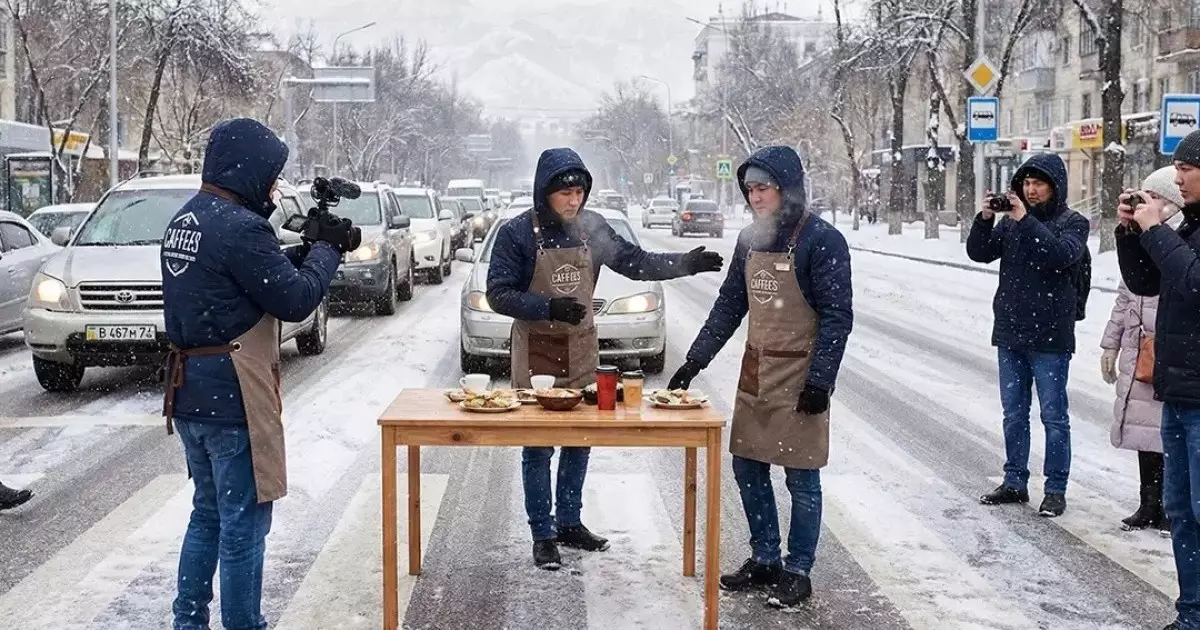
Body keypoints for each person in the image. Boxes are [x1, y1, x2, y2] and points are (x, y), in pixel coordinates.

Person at [160, 118, 358, 630]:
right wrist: (327, 254)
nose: (273, 188)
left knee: (207, 513)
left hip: (190, 395)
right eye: (270, 176)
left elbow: (233, 279)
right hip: (233, 397)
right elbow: (293, 300)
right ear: (246, 169)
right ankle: (245, 624)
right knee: (244, 524)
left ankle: (189, 622)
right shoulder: (241, 227)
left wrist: (299, 252)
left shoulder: (187, 219)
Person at [486, 147, 724, 571]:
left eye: (579, 192)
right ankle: (543, 534)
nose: (573, 201)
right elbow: (498, 293)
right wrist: (547, 307)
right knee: (539, 447)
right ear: (545, 192)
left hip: (580, 349)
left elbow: (635, 262)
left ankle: (569, 521)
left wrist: (684, 264)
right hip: (537, 351)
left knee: (580, 438)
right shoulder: (517, 233)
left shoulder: (592, 229)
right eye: (564, 193)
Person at [668, 146, 853, 608]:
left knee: (801, 476)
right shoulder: (750, 239)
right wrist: (695, 360)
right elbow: (731, 304)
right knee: (747, 465)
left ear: (786, 188)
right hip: (757, 369)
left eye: (763, 188)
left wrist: (821, 381)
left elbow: (837, 316)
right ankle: (765, 557)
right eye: (749, 189)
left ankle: (798, 569)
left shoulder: (822, 240)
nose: (755, 197)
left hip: (801, 373)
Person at [966, 153, 1090, 518]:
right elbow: (979, 253)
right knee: (1014, 414)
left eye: (1039, 183)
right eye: (1027, 183)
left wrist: (1025, 220)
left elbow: (1058, 256)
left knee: (1054, 416)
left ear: (1055, 187)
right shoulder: (1008, 224)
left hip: (1051, 336)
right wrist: (986, 218)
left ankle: (1055, 488)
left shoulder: (1074, 223)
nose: (1031, 190)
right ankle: (1015, 481)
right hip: (1010, 332)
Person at [1116, 129, 1200, 630]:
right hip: (1178, 392)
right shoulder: (1188, 226)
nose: (1178, 176)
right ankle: (1190, 614)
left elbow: (1194, 283)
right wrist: (1132, 232)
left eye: (1187, 166)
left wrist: (1157, 231)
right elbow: (1148, 281)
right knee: (1183, 514)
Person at [1101, 166, 1184, 534]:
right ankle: (1148, 503)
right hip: (1141, 351)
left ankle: (1171, 506)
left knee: (1166, 435)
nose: (1151, 205)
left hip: (1168, 352)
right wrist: (1110, 344)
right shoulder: (1141, 240)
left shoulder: (1180, 242)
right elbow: (1126, 297)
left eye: (1160, 199)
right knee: (1143, 434)